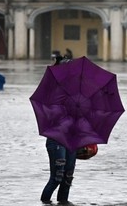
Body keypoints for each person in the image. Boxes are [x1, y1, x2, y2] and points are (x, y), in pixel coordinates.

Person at [41, 54, 76, 205]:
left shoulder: (77, 94)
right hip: (56, 140)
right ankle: (45, 202)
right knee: (57, 177)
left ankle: (63, 202)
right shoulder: (53, 93)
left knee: (68, 178)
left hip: (71, 140)